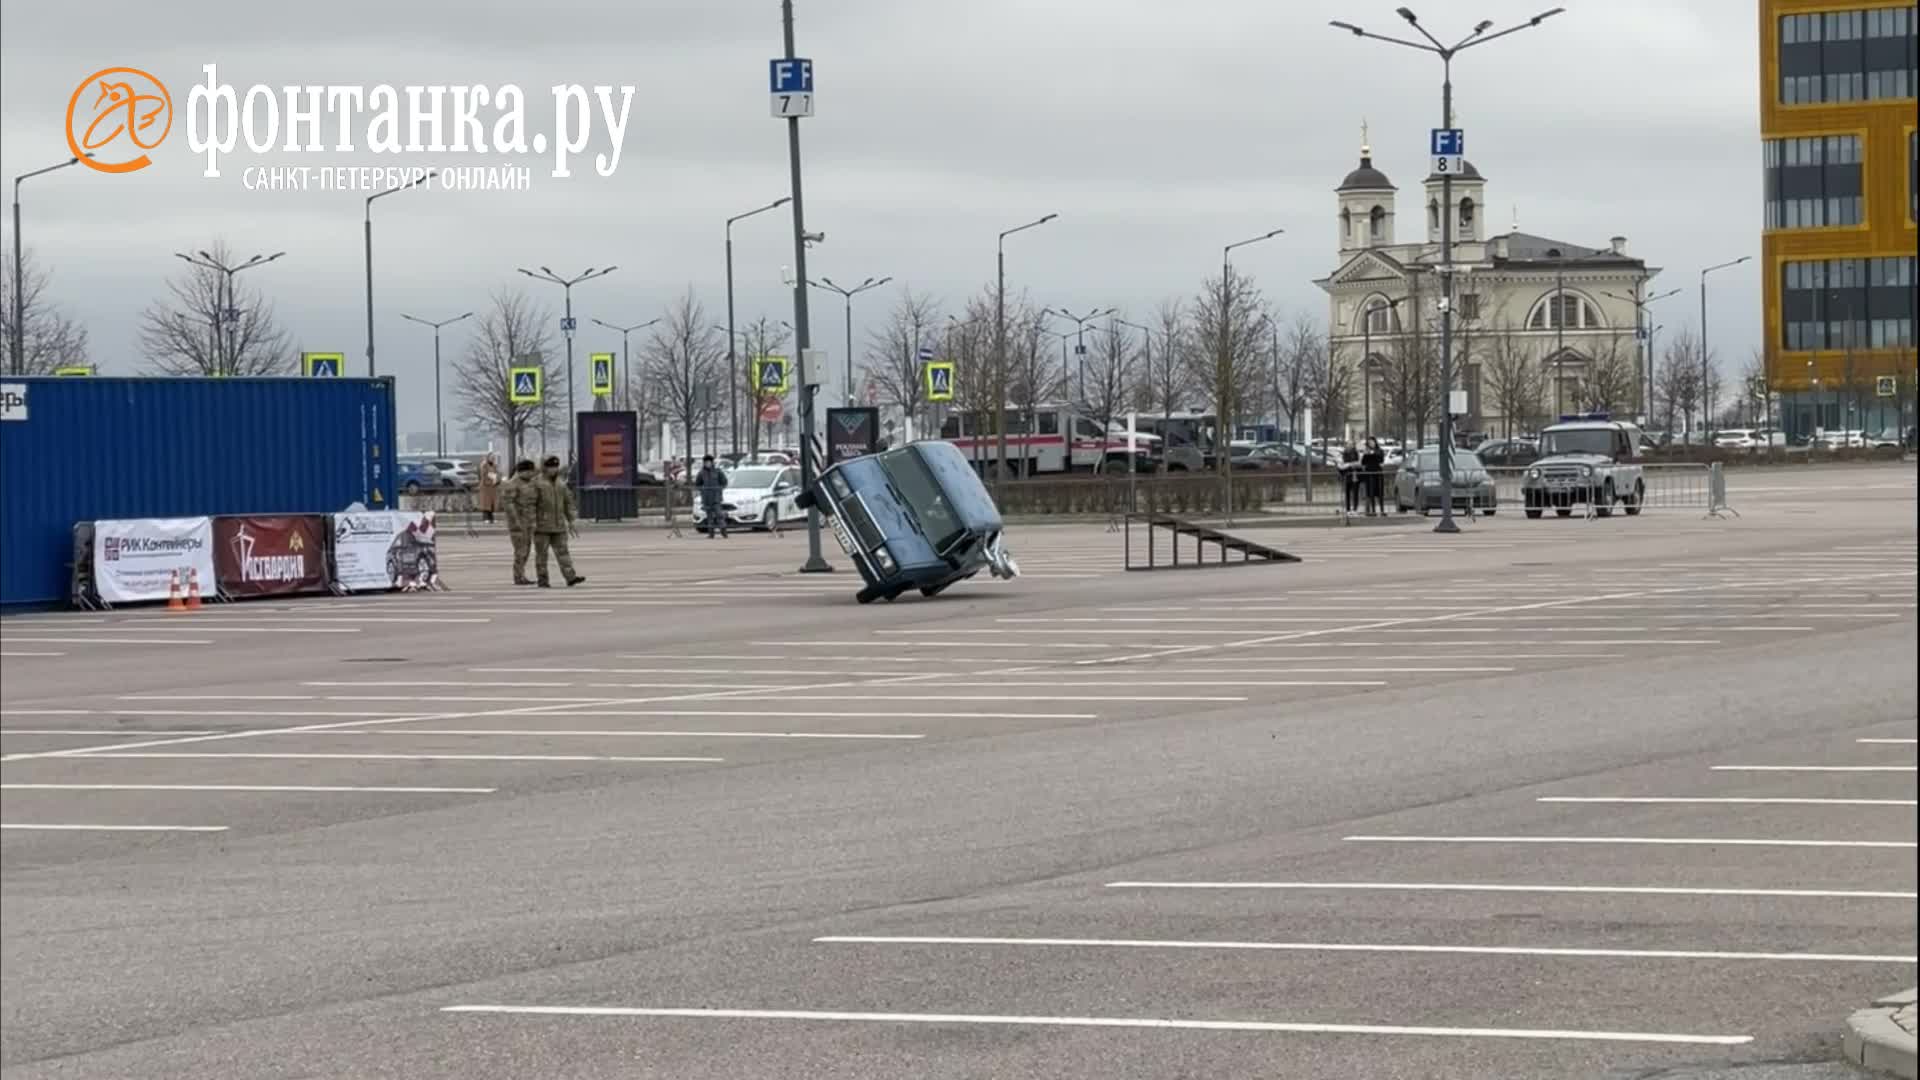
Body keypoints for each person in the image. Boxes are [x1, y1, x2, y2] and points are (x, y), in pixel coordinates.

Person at [531, 455, 585, 587]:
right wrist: (531, 522)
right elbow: (529, 505)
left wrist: (572, 520)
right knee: (542, 555)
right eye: (550, 467)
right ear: (544, 467)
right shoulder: (536, 483)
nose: (553, 469)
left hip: (559, 525)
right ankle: (543, 579)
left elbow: (568, 503)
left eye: (555, 467)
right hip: (541, 526)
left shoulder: (560, 484)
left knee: (563, 553)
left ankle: (570, 577)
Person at [502, 459, 539, 585]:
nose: (532, 474)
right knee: (520, 550)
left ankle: (521, 574)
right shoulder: (512, 484)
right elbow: (509, 505)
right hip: (518, 523)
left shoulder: (530, 483)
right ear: (523, 471)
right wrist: (516, 521)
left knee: (527, 549)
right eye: (530, 472)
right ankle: (518, 576)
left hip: (529, 522)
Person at [694, 454, 729, 539]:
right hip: (706, 498)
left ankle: (723, 531)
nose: (708, 464)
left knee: (719, 515)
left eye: (709, 462)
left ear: (712, 462)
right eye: (706, 462)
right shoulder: (701, 473)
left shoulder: (717, 471)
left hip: (716, 497)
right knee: (709, 517)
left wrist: (719, 489)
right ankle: (711, 533)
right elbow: (698, 484)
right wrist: (702, 490)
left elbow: (724, 482)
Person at [1360, 438, 1387, 517]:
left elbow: (1381, 461)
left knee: (1380, 492)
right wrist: (1365, 455)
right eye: (1369, 442)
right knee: (1370, 492)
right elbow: (1363, 462)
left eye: (1372, 442)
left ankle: (1382, 510)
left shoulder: (1380, 451)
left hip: (1378, 473)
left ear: (1375, 442)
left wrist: (1375, 455)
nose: (1371, 443)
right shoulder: (1366, 451)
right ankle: (1373, 510)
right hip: (1369, 473)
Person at [475, 454, 502, 524]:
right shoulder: (484, 465)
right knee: (486, 503)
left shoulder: (495, 465)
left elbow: (498, 473)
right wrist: (492, 477)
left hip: (493, 487)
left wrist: (497, 479)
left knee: (492, 503)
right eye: (491, 458)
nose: (493, 459)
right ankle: (485, 518)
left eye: (494, 458)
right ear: (488, 458)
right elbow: (484, 474)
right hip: (486, 487)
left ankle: (491, 518)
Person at [1339, 442, 1362, 515]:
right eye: (1348, 444)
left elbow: (1358, 463)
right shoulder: (1344, 453)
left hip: (1354, 475)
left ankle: (1355, 509)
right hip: (1347, 476)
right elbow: (1342, 465)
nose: (1349, 446)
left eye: (1351, 444)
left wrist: (1350, 464)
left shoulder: (1356, 453)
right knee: (1347, 493)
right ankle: (1348, 509)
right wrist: (1349, 465)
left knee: (1355, 493)